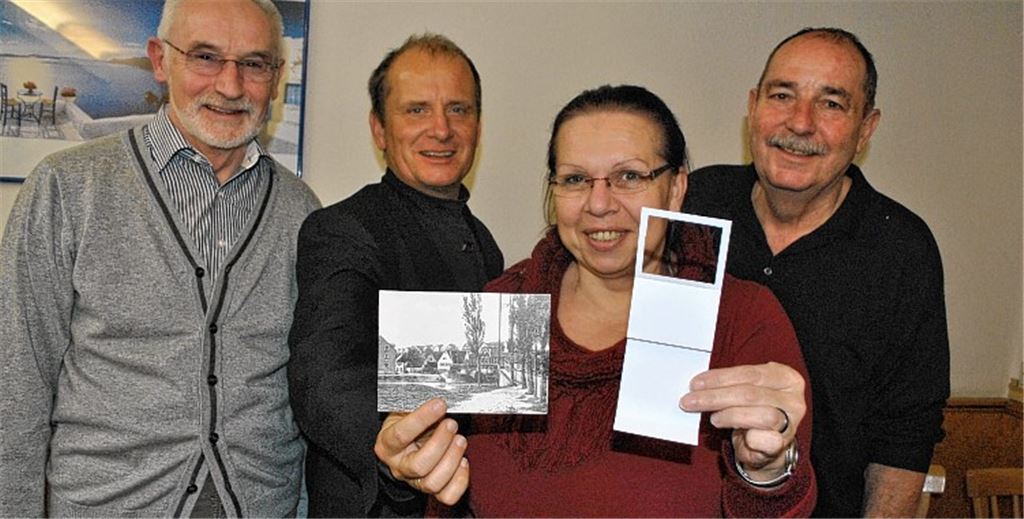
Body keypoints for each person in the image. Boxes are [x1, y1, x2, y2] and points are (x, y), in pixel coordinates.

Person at [373, 85, 817, 516]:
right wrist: (405, 470)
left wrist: (766, 470)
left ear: (676, 188)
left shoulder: (741, 319)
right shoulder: (502, 306)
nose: (599, 204)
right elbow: (444, 490)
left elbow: (775, 508)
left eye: (629, 176)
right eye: (575, 179)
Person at [0, 0, 320, 516]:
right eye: (206, 57)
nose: (231, 86)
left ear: (277, 76)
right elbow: (15, 384)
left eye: (254, 64)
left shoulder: (301, 209)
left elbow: (303, 395)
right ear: (159, 59)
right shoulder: (66, 189)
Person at [684, 27, 950, 517]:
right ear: (753, 106)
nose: (800, 123)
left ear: (866, 128)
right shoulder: (694, 203)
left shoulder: (901, 251)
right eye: (782, 95)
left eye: (831, 104)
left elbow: (905, 436)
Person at [287, 33, 504, 517]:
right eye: (416, 110)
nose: (442, 129)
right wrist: (387, 438)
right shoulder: (342, 228)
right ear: (379, 130)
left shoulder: (486, 242)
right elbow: (325, 373)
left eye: (459, 109)